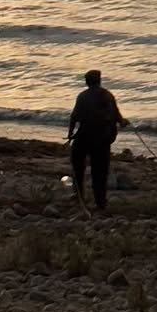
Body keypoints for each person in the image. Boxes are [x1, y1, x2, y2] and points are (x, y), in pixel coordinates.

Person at [66, 68, 129, 211]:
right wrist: (123, 122)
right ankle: (100, 202)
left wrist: (70, 134)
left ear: (86, 82)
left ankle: (79, 196)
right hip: (102, 138)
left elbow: (74, 116)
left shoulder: (82, 96)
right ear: (99, 81)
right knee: (99, 171)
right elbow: (116, 115)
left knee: (77, 167)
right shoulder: (107, 95)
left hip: (84, 136)